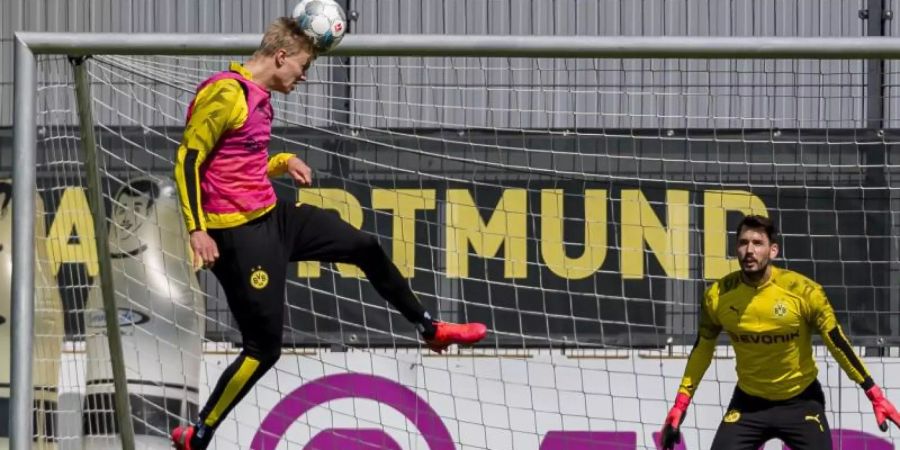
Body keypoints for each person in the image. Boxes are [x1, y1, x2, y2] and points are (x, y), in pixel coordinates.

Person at [169, 17, 487, 450]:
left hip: (273, 217)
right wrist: (196, 230)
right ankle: (199, 433)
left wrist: (279, 162)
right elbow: (189, 161)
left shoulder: (258, 99)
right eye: (302, 66)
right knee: (264, 349)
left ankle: (429, 328)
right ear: (281, 56)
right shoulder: (226, 93)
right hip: (237, 236)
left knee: (363, 245)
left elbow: (232, 168)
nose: (303, 77)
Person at [659, 215, 900, 450]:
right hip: (749, 404)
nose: (749, 250)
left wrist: (874, 394)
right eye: (743, 243)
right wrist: (680, 404)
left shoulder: (805, 292)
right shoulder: (717, 296)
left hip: (801, 401)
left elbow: (838, 344)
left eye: (757, 243)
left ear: (773, 250)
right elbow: (702, 349)